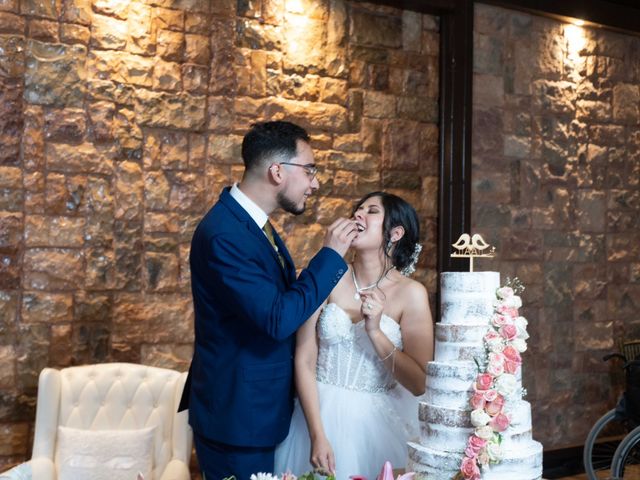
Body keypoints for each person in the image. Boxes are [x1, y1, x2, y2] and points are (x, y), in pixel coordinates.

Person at [178, 121, 359, 480]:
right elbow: (277, 318)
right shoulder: (225, 235)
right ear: (277, 171)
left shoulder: (251, 224)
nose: (315, 183)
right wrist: (331, 256)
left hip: (259, 411)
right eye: (310, 169)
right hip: (238, 417)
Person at [274, 191, 434, 480]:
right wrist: (317, 433)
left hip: (376, 425)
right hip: (315, 414)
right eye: (357, 209)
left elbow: (420, 382)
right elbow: (305, 359)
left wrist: (375, 331)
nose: (358, 214)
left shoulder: (411, 294)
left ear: (395, 233)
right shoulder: (326, 277)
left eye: (371, 211)